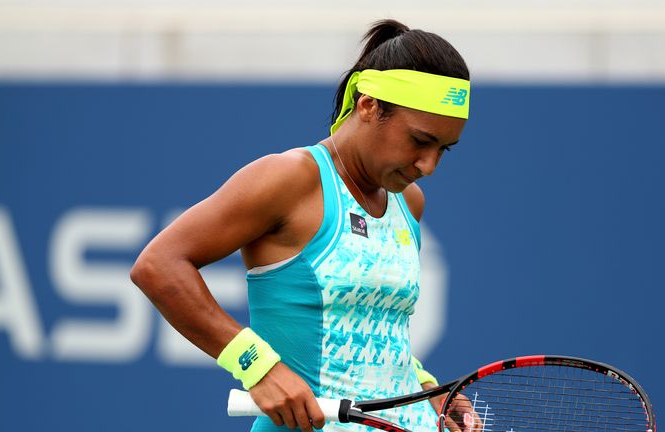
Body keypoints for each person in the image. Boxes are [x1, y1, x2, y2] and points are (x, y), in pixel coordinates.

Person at [130, 18, 470, 432]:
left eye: (443, 149)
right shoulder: (289, 179)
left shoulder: (408, 202)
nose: (429, 166)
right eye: (420, 141)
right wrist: (258, 367)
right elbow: (159, 265)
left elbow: (376, 327)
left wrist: (424, 387)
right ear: (368, 107)